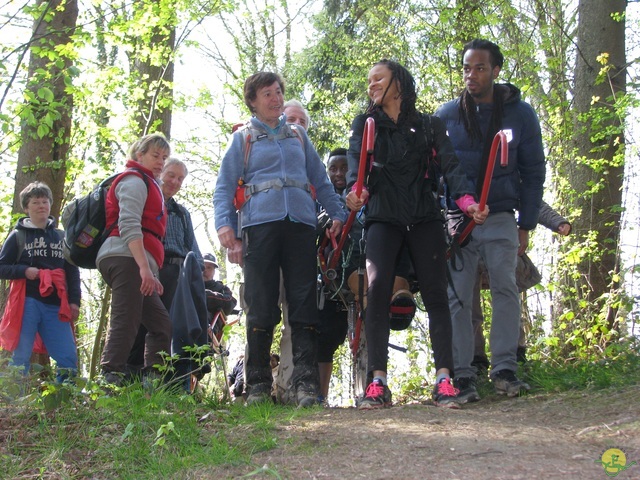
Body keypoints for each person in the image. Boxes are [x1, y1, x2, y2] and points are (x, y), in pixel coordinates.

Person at [346, 59, 486, 409]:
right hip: (382, 218)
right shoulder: (366, 125)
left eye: (378, 78)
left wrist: (467, 202)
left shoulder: (429, 126)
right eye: (369, 80)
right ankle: (376, 383)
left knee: (437, 294)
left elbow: (451, 167)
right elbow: (355, 169)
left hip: (425, 218)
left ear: (398, 81)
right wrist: (353, 191)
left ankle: (444, 380)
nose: (372, 85)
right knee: (377, 292)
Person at [213, 72, 346, 407]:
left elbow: (320, 180)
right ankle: (257, 385)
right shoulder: (242, 139)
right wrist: (225, 226)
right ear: (253, 101)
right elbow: (224, 188)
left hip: (300, 225)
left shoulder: (298, 136)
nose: (274, 98)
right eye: (266, 94)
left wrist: (338, 214)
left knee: (303, 304)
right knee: (260, 304)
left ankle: (304, 386)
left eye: (277, 92)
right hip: (259, 226)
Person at [435, 39, 546, 402]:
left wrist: (526, 223)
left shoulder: (521, 114)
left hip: (500, 215)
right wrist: (449, 214)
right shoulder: (447, 115)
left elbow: (533, 170)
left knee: (505, 288)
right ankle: (463, 374)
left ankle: (504, 368)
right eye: (467, 67)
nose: (472, 74)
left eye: (480, 68)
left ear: (496, 71)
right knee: (458, 297)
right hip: (458, 220)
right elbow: (437, 172)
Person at [96, 133, 173, 386]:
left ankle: (151, 383)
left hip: (139, 263)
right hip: (124, 256)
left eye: (164, 157)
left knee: (161, 324)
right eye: (155, 155)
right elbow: (129, 225)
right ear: (139, 155)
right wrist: (144, 268)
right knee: (126, 318)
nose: (161, 162)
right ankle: (109, 380)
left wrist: (152, 271)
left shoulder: (151, 184)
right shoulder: (134, 180)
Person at [472, 202, 571, 371]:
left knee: (508, 297)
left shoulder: (503, 176)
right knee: (466, 305)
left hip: (501, 240)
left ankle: (515, 357)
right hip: (463, 242)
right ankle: (474, 361)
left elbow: (530, 198)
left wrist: (556, 221)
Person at [127, 158, 204, 372]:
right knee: (142, 323)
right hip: (150, 268)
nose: (175, 181)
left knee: (175, 326)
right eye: (171, 175)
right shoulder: (145, 202)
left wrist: (199, 279)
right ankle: (131, 376)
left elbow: (193, 248)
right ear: (161, 173)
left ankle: (168, 379)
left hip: (178, 275)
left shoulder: (181, 213)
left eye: (180, 178)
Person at [0, 182, 81, 383]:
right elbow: (2, 267)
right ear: (26, 208)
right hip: (27, 301)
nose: (41, 206)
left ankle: (64, 403)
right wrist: (24, 271)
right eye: (35, 202)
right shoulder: (18, 236)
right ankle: (15, 407)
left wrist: (74, 301)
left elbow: (72, 272)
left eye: (45, 201)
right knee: (20, 356)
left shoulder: (62, 237)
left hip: (56, 305)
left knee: (68, 357)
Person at [272, 99, 313, 404]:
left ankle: (289, 389)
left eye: (302, 120)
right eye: (291, 118)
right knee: (260, 314)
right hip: (262, 246)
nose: (297, 123)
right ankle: (255, 385)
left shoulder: (309, 161)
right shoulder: (260, 148)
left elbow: (322, 191)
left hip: (299, 245)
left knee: (296, 318)